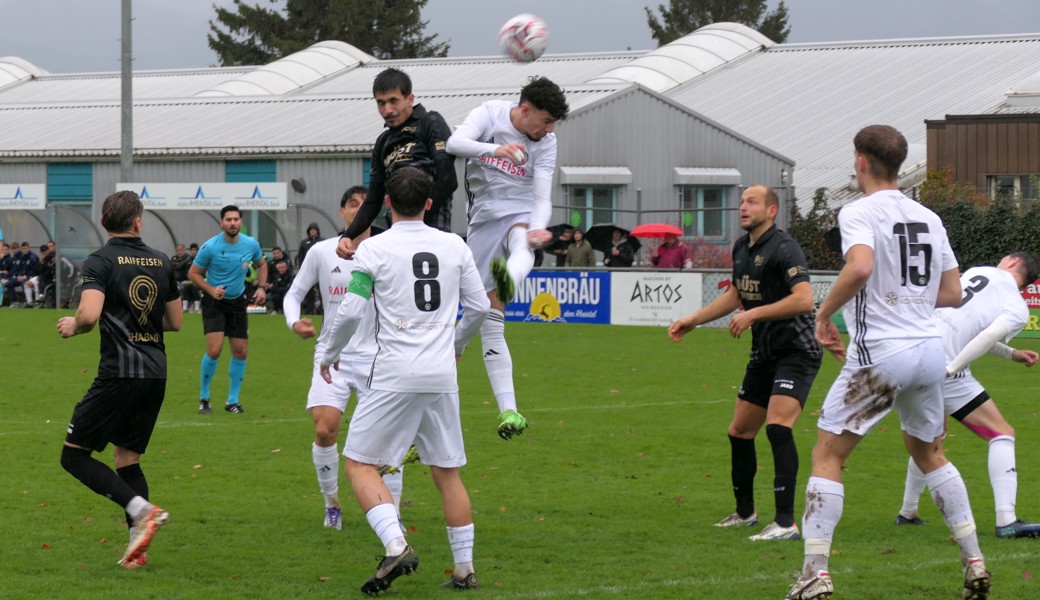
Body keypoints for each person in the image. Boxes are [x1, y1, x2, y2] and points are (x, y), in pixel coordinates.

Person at [787, 125, 988, 600]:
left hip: (883, 354)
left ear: (860, 162)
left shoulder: (858, 210)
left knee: (828, 454)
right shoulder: (929, 216)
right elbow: (953, 294)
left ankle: (815, 572)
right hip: (929, 352)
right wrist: (910, 301)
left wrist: (824, 311)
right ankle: (974, 559)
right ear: (898, 165)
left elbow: (859, 267)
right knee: (929, 452)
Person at [319, 166, 489, 593]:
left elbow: (353, 311)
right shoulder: (454, 245)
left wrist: (330, 352)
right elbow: (481, 308)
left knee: (359, 462)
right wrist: (457, 344)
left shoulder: (373, 249)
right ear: (430, 204)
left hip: (394, 372)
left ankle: (396, 544)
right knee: (447, 472)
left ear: (388, 204)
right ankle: (465, 570)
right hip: (441, 375)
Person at [669, 184, 821, 541]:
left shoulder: (785, 248)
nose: (742, 207)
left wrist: (754, 316)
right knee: (739, 432)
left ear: (771, 211)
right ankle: (745, 514)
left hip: (796, 352)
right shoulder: (741, 247)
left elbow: (803, 300)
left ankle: (786, 523)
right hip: (764, 354)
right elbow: (736, 294)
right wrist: (694, 320)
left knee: (778, 427)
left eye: (751, 202)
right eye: (741, 202)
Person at [56, 190, 182, 570]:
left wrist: (73, 326)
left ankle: (140, 509)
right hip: (155, 373)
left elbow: (90, 314)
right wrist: (138, 320)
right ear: (138, 222)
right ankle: (136, 551)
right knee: (127, 459)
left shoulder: (100, 261)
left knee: (73, 455)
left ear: (103, 223)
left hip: (119, 373)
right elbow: (174, 322)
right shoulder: (162, 262)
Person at [444, 76, 569, 439]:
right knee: (479, 311)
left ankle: (509, 410)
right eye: (545, 121)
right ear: (525, 110)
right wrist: (494, 150)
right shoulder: (490, 115)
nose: (549, 130)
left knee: (522, 247)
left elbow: (543, 194)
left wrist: (538, 227)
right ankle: (453, 348)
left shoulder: (546, 141)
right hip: (483, 219)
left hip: (520, 212)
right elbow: (455, 143)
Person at [285, 183, 406, 531]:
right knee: (325, 429)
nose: (358, 209)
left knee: (386, 440)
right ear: (342, 212)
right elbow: (294, 294)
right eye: (352, 204)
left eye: (364, 204)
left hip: (380, 357)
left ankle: (393, 512)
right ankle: (332, 504)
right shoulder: (323, 252)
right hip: (332, 356)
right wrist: (295, 321)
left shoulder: (389, 249)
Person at [896, 252, 1040, 539]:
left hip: (907, 351)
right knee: (1001, 433)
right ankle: (1006, 521)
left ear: (1011, 262)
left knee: (931, 438)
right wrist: (950, 368)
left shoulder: (979, 271)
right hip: (943, 366)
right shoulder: (1017, 306)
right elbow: (984, 337)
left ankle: (908, 512)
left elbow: (972, 328)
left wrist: (1011, 353)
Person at [335, 69, 456, 252]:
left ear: (410, 99)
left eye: (393, 101)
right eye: (381, 103)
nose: (387, 110)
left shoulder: (429, 122)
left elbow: (447, 180)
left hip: (433, 234)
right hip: (398, 237)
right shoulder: (383, 141)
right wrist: (347, 236)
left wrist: (415, 218)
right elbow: (374, 199)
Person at [188, 205, 267, 415]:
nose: (232, 223)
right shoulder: (210, 247)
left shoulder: (251, 244)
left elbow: (261, 264)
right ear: (221, 223)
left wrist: (261, 287)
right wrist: (211, 290)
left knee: (240, 351)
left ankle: (233, 401)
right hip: (214, 303)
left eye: (236, 219)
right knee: (214, 350)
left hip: (237, 302)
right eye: (228, 220)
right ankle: (204, 398)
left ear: (241, 222)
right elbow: (193, 273)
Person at [170, 243, 195, 312]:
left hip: (185, 280)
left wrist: (178, 265)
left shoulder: (188, 258)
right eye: (177, 250)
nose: (179, 252)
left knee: (184, 288)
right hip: (175, 281)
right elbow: (172, 266)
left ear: (184, 250)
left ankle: (185, 307)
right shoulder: (174, 258)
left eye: (181, 250)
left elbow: (180, 266)